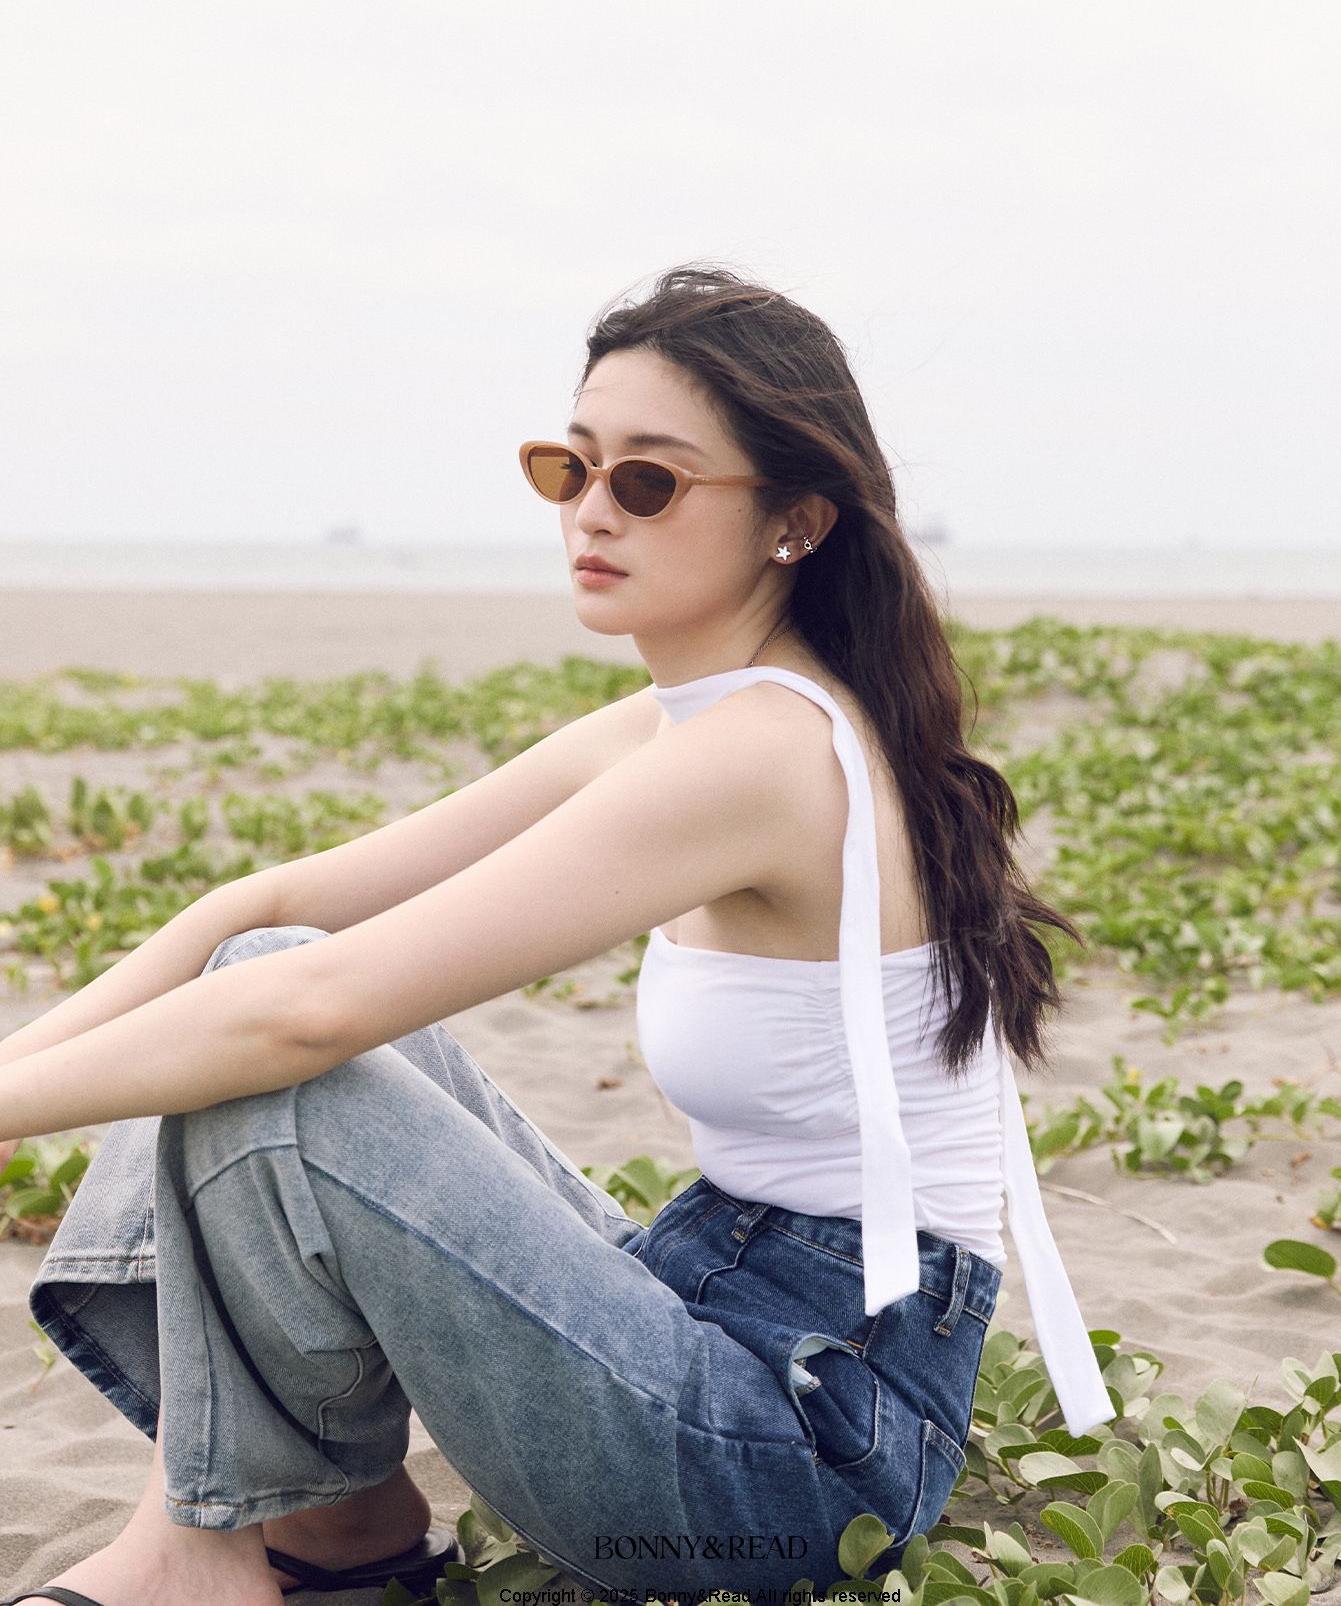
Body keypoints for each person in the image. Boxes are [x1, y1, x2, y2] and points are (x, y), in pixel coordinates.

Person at [0, 267, 1109, 1606]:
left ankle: (206, 1552)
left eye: (649, 480)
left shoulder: (764, 756)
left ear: (795, 522)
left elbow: (312, 1017)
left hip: (804, 1470)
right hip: (712, 1304)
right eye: (569, 467)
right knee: (256, 973)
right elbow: (272, 909)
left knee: (283, 1056)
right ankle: (337, 1536)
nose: (592, 509)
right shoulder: (698, 719)